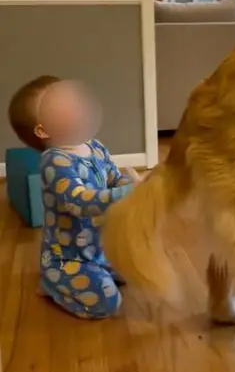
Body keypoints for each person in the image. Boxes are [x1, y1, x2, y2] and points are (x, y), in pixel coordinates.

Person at [7, 76, 142, 318]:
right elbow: (80, 202)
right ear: (43, 128)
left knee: (135, 269)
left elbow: (112, 177)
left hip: (100, 248)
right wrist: (127, 192)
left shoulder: (95, 146)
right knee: (108, 303)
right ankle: (52, 284)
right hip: (69, 258)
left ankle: (100, 270)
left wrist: (133, 185)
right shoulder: (55, 161)